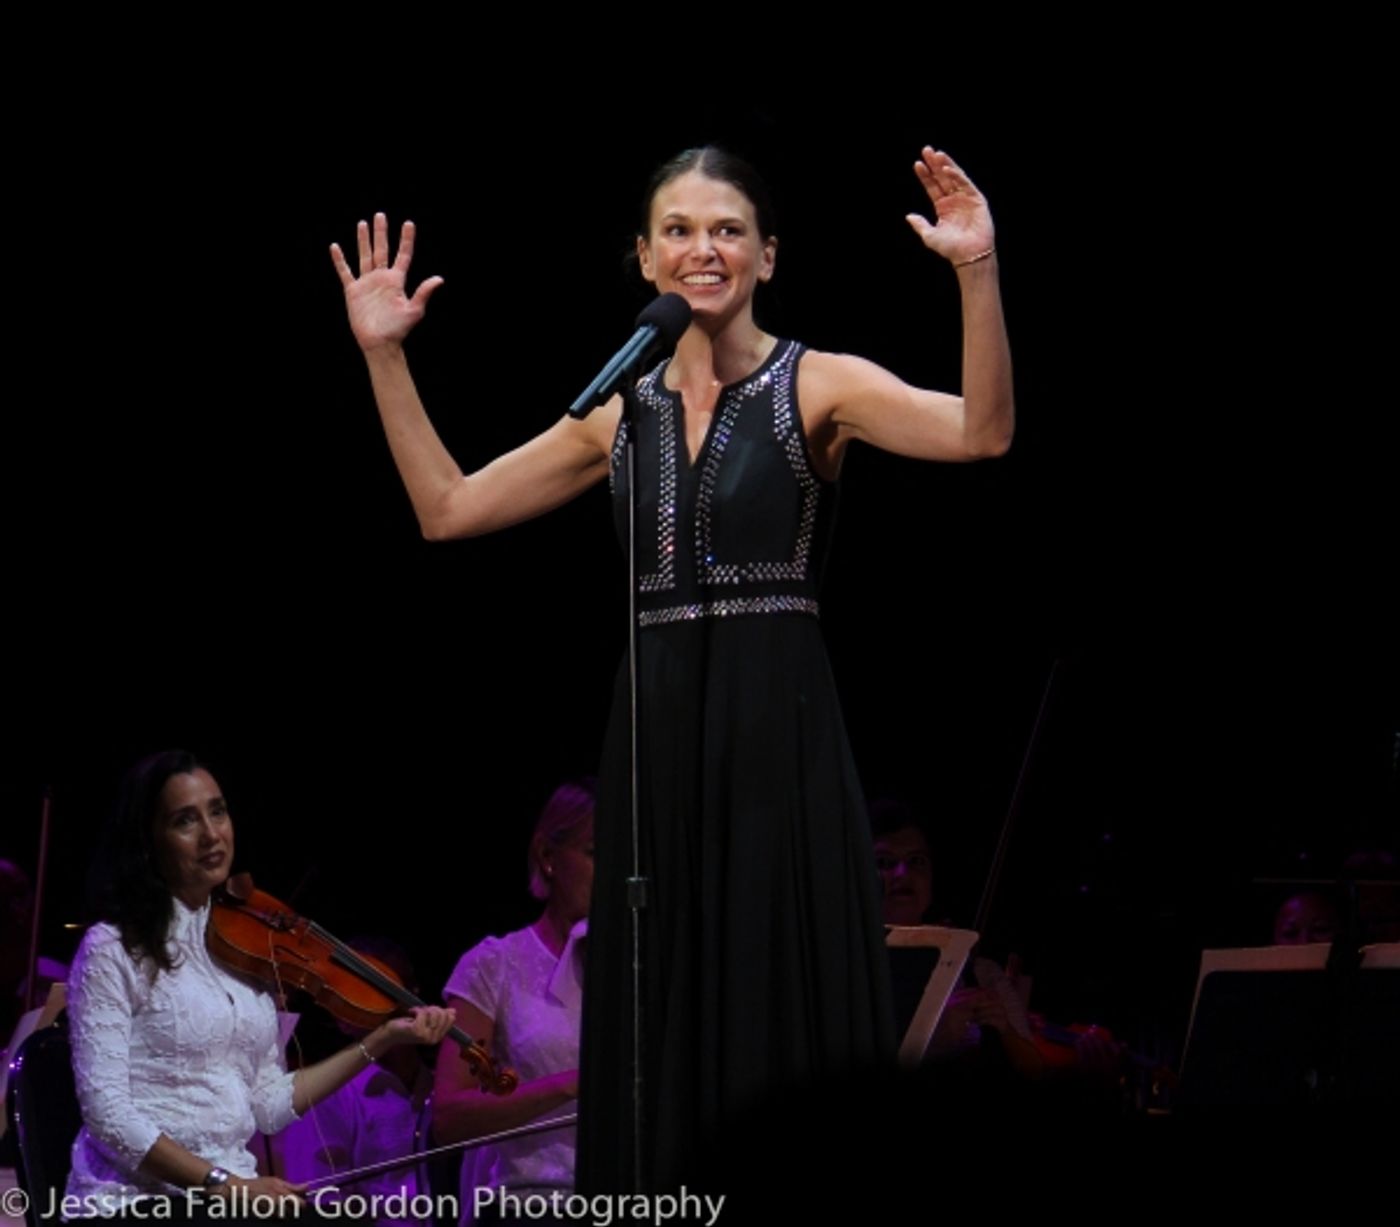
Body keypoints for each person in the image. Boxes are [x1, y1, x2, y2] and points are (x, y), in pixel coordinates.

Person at [331, 143, 1013, 1191]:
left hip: (775, 724)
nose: (706, 248)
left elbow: (979, 433)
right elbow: (447, 508)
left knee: (773, 985)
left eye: (729, 229)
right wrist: (383, 355)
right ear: (645, 258)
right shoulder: (621, 411)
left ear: (767, 256)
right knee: (662, 998)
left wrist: (973, 269)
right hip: (654, 732)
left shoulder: (817, 382)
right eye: (681, 230)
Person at [64, 750, 455, 1214]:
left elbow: (267, 1105)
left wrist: (385, 1037)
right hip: (134, 1201)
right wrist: (224, 1185)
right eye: (185, 821)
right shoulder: (112, 948)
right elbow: (108, 1117)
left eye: (218, 811)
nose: (212, 834)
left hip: (232, 1195)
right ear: (149, 842)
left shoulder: (248, 947)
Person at [433, 781, 594, 1222]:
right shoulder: (495, 965)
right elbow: (447, 1115)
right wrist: (571, 1085)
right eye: (596, 854)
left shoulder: (636, 968)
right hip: (527, 1203)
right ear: (548, 857)